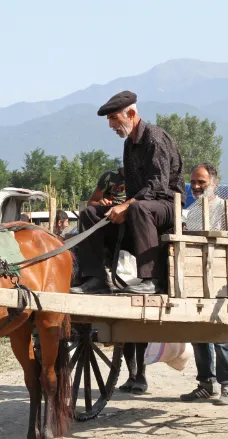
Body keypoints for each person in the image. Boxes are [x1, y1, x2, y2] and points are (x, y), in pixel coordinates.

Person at [71, 90, 184, 295]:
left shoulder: (155, 138)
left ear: (131, 114)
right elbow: (133, 187)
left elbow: (158, 185)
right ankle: (96, 279)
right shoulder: (129, 145)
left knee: (138, 208)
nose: (111, 125)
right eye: (109, 119)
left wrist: (127, 205)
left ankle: (152, 280)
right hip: (141, 206)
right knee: (90, 213)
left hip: (167, 205)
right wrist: (117, 206)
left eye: (114, 118)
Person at [179, 163, 228, 405]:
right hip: (195, 279)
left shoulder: (226, 209)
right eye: (193, 182)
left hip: (221, 280)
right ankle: (205, 384)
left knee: (220, 333)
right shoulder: (192, 211)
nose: (195, 186)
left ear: (213, 183)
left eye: (201, 182)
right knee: (197, 332)